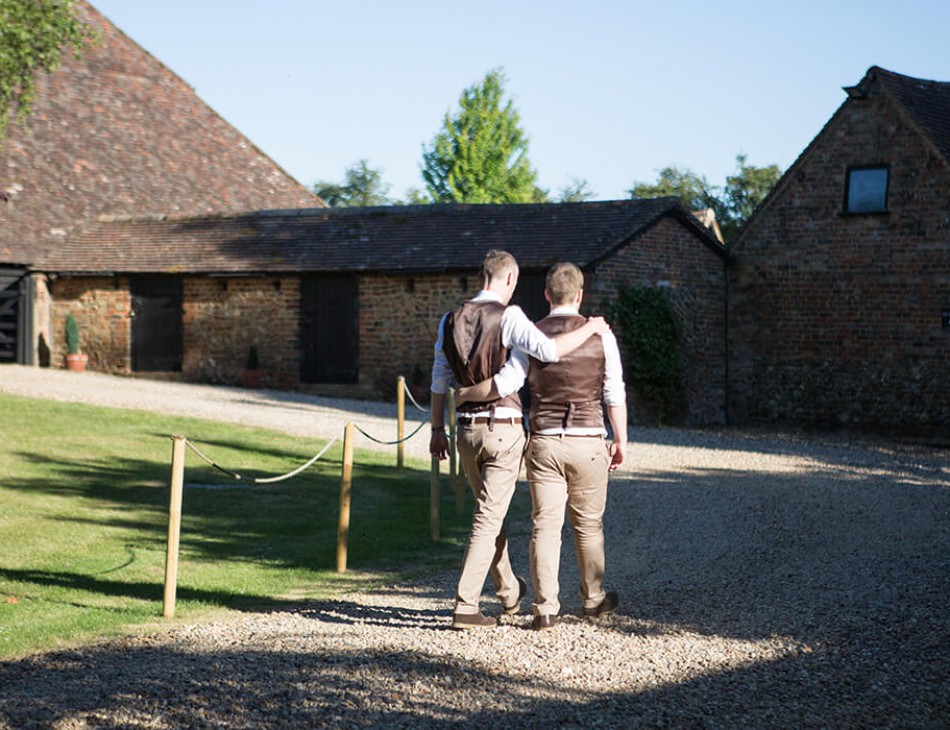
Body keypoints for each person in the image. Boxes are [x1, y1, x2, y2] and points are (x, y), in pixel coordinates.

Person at [430, 250, 609, 630]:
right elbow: (547, 350)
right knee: (488, 517)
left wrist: (435, 429)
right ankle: (465, 604)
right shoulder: (509, 316)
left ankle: (509, 590)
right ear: (509, 279)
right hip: (503, 426)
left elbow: (438, 380)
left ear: (483, 275)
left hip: (464, 432)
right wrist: (592, 327)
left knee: (490, 514)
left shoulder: (448, 320)